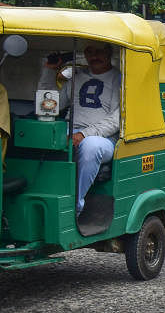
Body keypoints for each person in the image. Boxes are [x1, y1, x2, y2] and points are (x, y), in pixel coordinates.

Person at [39, 40, 121, 215]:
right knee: (41, 137)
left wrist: (85, 134)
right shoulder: (77, 77)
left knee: (91, 146)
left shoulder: (119, 78)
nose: (95, 56)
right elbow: (53, 104)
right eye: (90, 52)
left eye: (99, 52)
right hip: (72, 131)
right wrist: (49, 70)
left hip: (104, 139)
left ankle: (75, 206)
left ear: (108, 53)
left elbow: (116, 119)